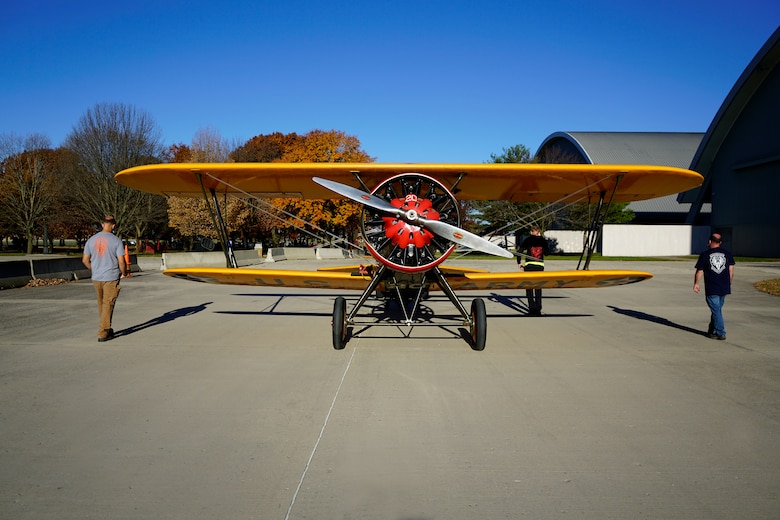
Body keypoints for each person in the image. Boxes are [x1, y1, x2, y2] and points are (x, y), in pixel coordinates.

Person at [82, 215, 127, 342]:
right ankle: (102, 332)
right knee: (108, 304)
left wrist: (93, 269)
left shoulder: (91, 240)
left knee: (102, 304)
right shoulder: (116, 241)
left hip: (96, 277)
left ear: (102, 224)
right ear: (113, 225)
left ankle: (107, 329)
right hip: (111, 276)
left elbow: (85, 260)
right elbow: (122, 261)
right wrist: (124, 272)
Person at [693, 233, 735, 340]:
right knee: (717, 310)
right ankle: (712, 330)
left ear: (710, 241)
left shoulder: (705, 255)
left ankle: (721, 332)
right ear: (720, 242)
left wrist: (696, 283)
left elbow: (700, 271)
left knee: (716, 310)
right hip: (724, 287)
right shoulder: (728, 254)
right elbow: (731, 270)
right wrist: (729, 282)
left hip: (712, 287)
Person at [517, 225, 549, 316]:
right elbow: (547, 253)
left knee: (529, 288)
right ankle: (538, 309)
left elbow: (519, 252)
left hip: (529, 266)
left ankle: (532, 309)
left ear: (531, 232)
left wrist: (519, 262)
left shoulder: (527, 240)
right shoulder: (542, 240)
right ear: (538, 232)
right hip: (539, 266)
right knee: (538, 288)